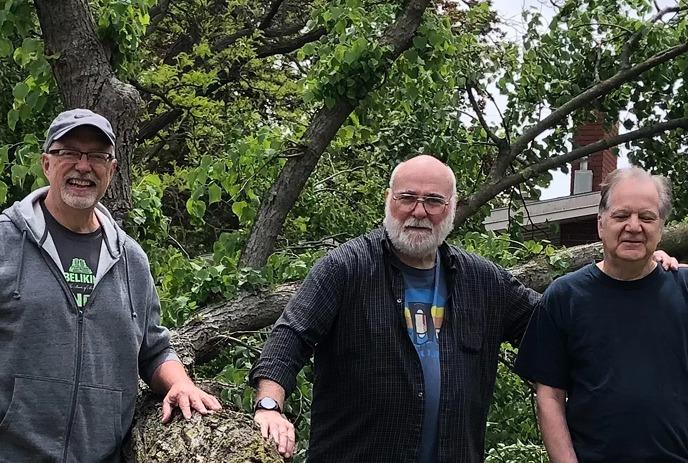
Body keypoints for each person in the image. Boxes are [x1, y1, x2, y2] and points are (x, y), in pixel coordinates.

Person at [0, 109, 221, 462]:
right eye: (69, 152)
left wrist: (181, 383)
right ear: (46, 164)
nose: (83, 166)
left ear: (112, 170)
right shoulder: (5, 241)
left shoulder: (131, 259)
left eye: (98, 156)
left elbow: (154, 349)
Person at [515, 167, 688, 463]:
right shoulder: (565, 296)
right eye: (621, 216)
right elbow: (549, 396)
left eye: (646, 217)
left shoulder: (684, 289)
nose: (634, 227)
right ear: (600, 223)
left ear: (661, 227)